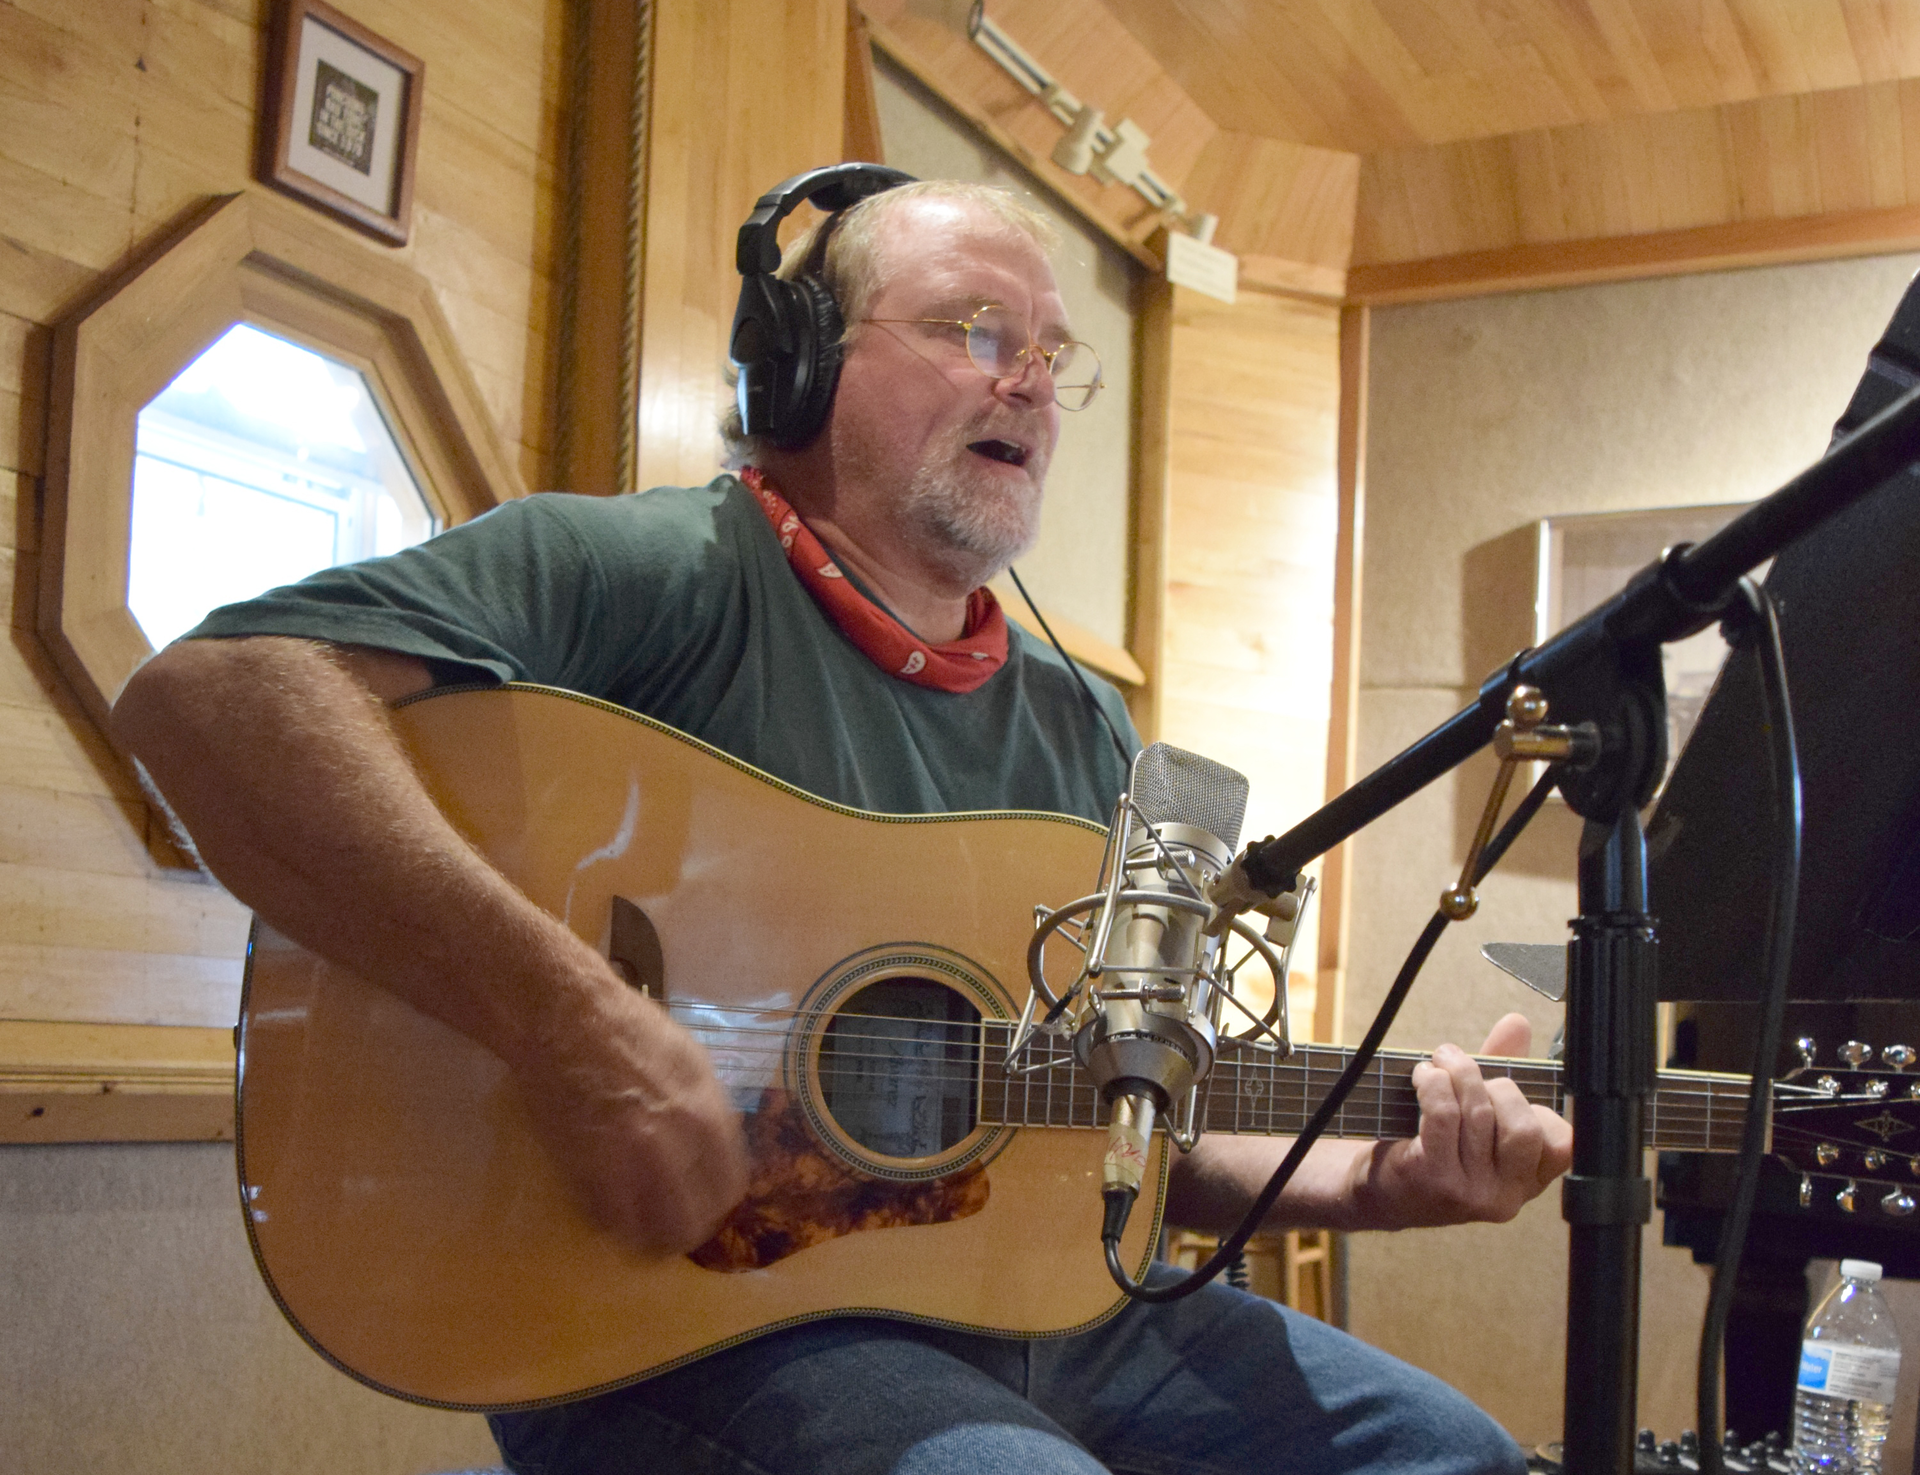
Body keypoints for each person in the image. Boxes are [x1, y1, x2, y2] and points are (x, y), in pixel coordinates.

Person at [112, 177, 1573, 1475]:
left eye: (1051, 355)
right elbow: (216, 700)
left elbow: (1136, 1121)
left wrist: (1374, 1178)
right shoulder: (651, 571)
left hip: (1066, 1314)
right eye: (972, 329)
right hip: (702, 1322)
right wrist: (572, 1024)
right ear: (800, 365)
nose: (1029, 384)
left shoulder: (1085, 730)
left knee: (1455, 1453)